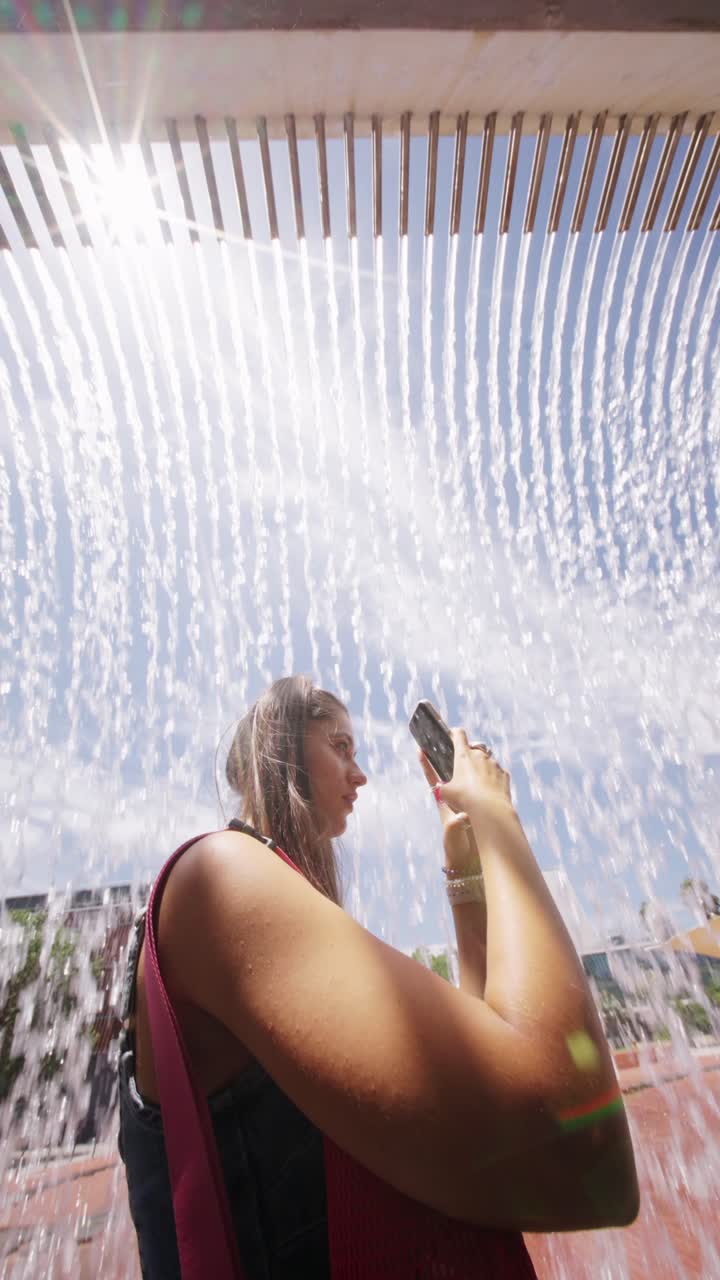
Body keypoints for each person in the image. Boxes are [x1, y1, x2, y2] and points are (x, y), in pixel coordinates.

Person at [118, 675, 639, 1278]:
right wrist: (496, 816)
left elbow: (478, 1092)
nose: (360, 774)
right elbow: (583, 1157)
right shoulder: (222, 877)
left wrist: (465, 873)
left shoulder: (271, 905)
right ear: (281, 746)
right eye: (340, 747)